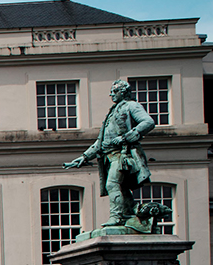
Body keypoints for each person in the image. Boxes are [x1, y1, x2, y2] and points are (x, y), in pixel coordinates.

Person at [63, 78, 156, 231]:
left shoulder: (131, 105)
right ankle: (133, 213)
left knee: (112, 184)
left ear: (124, 92)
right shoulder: (113, 111)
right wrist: (84, 157)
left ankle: (116, 216)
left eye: (115, 91)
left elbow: (148, 122)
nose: (111, 94)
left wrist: (127, 137)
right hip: (109, 156)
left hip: (122, 155)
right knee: (122, 189)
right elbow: (100, 142)